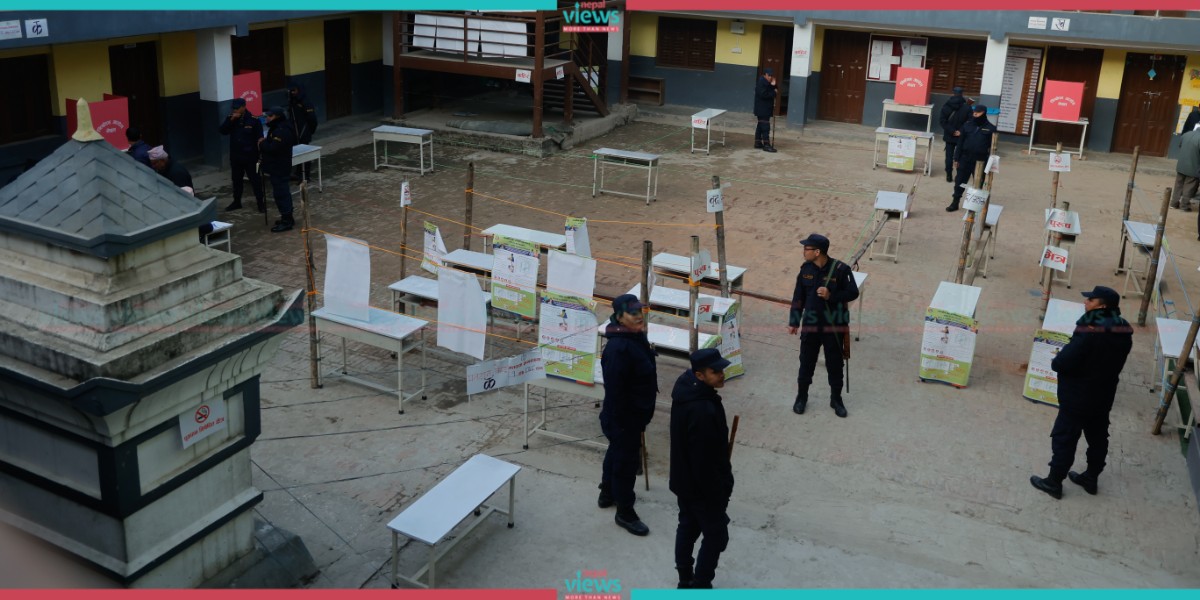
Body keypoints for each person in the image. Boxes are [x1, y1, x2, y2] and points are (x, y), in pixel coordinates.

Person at [1031, 286, 1133, 499]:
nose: (1086, 303)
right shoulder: (1124, 329)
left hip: (1077, 396)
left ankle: (1054, 482)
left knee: (1065, 438)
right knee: (1098, 437)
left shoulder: (1090, 329)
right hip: (1103, 395)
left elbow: (1064, 361)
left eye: (1091, 300)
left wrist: (1057, 361)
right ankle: (1091, 477)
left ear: (1103, 306)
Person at [669, 348, 735, 590]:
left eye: (721, 369)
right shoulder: (703, 410)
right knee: (716, 536)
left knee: (687, 526)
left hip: (684, 482)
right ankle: (700, 585)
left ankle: (684, 578)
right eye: (715, 371)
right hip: (702, 488)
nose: (721, 374)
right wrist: (721, 489)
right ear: (699, 375)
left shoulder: (686, 391)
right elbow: (705, 461)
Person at [599, 293, 658, 537]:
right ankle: (625, 511)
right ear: (620, 317)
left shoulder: (634, 336)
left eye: (640, 312)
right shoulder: (619, 348)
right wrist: (625, 422)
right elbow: (615, 390)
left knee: (615, 452)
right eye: (632, 313)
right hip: (624, 417)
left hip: (632, 415)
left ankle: (607, 493)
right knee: (626, 462)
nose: (639, 316)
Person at [787, 233, 858, 418]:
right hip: (810, 325)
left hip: (833, 326)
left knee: (835, 364)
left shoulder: (841, 270)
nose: (803, 251)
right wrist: (794, 321)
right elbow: (798, 297)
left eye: (806, 248)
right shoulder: (805, 269)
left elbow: (853, 292)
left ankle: (836, 399)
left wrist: (831, 296)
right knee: (806, 363)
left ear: (817, 252)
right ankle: (801, 397)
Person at [218, 98, 265, 213]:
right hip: (236, 157)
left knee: (255, 181)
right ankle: (236, 201)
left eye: (237, 108)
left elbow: (260, 138)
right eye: (233, 108)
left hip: (250, 158)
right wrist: (231, 120)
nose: (235, 110)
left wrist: (259, 155)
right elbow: (222, 131)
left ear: (244, 107)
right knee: (236, 180)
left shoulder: (253, 120)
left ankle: (260, 203)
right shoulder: (231, 118)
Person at [946, 104, 995, 212]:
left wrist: (990, 164)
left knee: (979, 182)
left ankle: (974, 206)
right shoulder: (967, 125)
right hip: (965, 158)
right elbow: (960, 143)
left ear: (984, 113)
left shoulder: (991, 128)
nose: (975, 114)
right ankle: (955, 202)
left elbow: (993, 148)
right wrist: (956, 158)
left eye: (978, 112)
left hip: (980, 161)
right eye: (974, 112)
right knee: (959, 181)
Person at [259, 106, 298, 233]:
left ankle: (287, 221)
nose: (267, 118)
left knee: (281, 193)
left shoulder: (282, 130)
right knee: (280, 193)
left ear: (278, 117)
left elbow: (273, 148)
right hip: (276, 166)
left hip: (279, 167)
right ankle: (286, 217)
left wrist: (262, 143)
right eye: (267, 116)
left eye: (270, 116)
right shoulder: (276, 128)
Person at [938, 87, 973, 183]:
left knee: (949, 156)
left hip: (949, 135)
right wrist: (960, 131)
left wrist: (952, 131)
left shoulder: (947, 105)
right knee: (960, 156)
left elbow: (942, 121)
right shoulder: (967, 107)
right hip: (962, 136)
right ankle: (959, 176)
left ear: (953, 94)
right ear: (962, 94)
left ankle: (949, 175)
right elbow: (970, 121)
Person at [288, 84, 319, 180]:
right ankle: (298, 173)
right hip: (295, 132)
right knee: (297, 153)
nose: (292, 92)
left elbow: (312, 119)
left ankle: (306, 176)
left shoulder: (306, 102)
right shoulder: (293, 101)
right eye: (291, 90)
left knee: (305, 154)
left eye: (294, 90)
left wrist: (309, 131)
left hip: (304, 132)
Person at [1170, 127, 1200, 215]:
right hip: (1194, 167)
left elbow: (1180, 146)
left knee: (1178, 185)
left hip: (1181, 165)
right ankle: (1184, 206)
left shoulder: (1186, 134)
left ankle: (1174, 203)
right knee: (1189, 187)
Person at [753, 68, 778, 153]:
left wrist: (774, 85)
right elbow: (764, 94)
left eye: (771, 75)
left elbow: (771, 88)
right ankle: (766, 145)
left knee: (760, 124)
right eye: (769, 75)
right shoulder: (761, 82)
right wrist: (774, 93)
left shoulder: (766, 82)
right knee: (765, 126)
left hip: (764, 108)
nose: (770, 77)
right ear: (765, 75)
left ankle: (758, 142)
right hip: (762, 108)